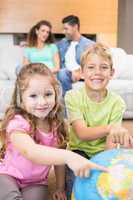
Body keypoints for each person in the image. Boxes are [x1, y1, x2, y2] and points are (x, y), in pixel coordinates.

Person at [0, 63, 107, 200]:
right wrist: (71, 157)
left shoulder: (57, 126)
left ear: (56, 94)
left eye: (48, 94)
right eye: (33, 96)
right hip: (8, 174)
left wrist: (60, 187)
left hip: (36, 182)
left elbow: (59, 160)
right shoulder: (17, 122)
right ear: (21, 99)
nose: (42, 102)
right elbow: (31, 151)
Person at [64, 43, 133, 199]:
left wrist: (106, 164)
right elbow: (81, 133)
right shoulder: (72, 96)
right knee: (76, 191)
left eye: (103, 67)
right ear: (81, 72)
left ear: (111, 72)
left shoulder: (117, 103)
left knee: (108, 188)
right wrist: (109, 128)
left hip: (102, 153)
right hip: (78, 152)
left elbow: (111, 142)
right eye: (91, 67)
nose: (97, 73)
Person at [57, 15, 95, 95]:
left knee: (62, 73)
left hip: (82, 74)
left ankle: (69, 102)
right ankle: (70, 101)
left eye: (66, 29)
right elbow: (49, 49)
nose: (64, 32)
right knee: (62, 73)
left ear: (75, 27)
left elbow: (93, 63)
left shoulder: (89, 44)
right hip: (66, 74)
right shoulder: (62, 43)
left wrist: (79, 70)